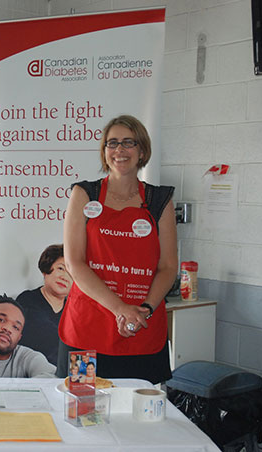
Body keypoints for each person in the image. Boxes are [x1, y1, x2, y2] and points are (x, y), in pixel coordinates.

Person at [57, 115, 178, 384]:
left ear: (142, 151)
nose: (119, 150)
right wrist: (120, 309)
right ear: (104, 151)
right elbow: (75, 263)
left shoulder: (160, 200)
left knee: (139, 407)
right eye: (112, 143)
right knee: (82, 403)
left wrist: (143, 309)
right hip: (87, 329)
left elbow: (168, 267)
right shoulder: (84, 194)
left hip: (141, 327)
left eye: (128, 143)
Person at [17, 244, 72, 366]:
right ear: (46, 270)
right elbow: (45, 336)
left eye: (71, 273)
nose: (65, 277)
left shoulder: (73, 311)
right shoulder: (27, 300)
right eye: (61, 268)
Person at [0, 295, 56, 378]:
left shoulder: (27, 357)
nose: (7, 329)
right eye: (1, 320)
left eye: (16, 327)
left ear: (19, 337)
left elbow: (51, 377)